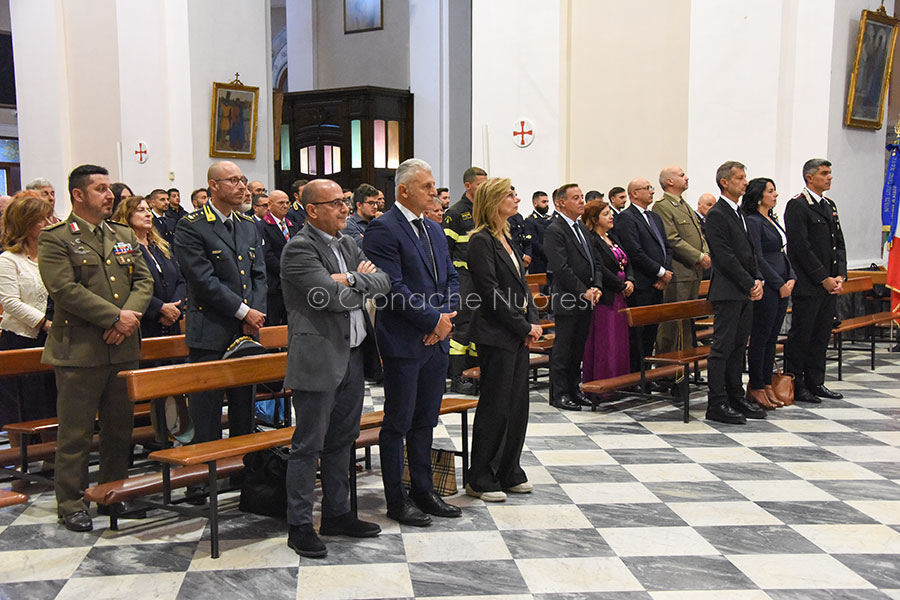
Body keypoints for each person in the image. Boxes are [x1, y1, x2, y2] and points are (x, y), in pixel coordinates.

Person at [38, 164, 153, 531]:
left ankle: (112, 493)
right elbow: (64, 290)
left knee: (120, 430)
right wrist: (114, 318)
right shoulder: (55, 238)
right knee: (76, 433)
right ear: (78, 195)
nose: (110, 196)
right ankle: (71, 501)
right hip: (80, 351)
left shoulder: (121, 234)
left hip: (122, 348)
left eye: (109, 189)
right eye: (101, 189)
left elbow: (144, 279)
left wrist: (129, 317)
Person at [281, 179, 389, 558]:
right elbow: (330, 297)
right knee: (308, 445)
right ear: (312, 210)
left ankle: (337, 513)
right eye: (337, 203)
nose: (346, 208)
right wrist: (355, 284)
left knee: (343, 440)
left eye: (346, 201)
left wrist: (355, 278)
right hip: (319, 359)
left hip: (354, 354)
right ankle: (299, 525)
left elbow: (383, 282)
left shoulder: (347, 242)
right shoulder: (299, 249)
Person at [362, 158, 461, 526]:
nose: (434, 193)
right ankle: (396, 500)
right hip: (404, 340)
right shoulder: (382, 228)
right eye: (427, 186)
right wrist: (433, 320)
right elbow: (391, 288)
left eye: (433, 186)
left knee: (426, 421)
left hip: (435, 340)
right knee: (398, 422)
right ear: (404, 190)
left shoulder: (434, 229)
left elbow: (451, 278)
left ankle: (424, 490)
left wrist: (444, 320)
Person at [173, 161, 267, 447]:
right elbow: (203, 281)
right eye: (233, 181)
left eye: (243, 180)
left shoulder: (248, 224)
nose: (241, 187)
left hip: (246, 330)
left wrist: (256, 313)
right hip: (211, 330)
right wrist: (245, 311)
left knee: (244, 407)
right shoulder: (191, 226)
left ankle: (245, 470)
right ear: (213, 186)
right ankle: (203, 476)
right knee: (207, 409)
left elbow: (259, 275)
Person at [466, 178, 542, 502]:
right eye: (510, 194)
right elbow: (489, 292)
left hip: (515, 332)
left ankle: (509, 469)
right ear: (493, 200)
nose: (516, 197)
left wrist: (532, 322)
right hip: (496, 334)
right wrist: (521, 327)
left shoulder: (507, 238)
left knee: (517, 406)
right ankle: (481, 475)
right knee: (495, 406)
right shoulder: (480, 240)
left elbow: (523, 288)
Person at [704, 161, 765, 425]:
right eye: (739, 178)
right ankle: (716, 403)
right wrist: (748, 282)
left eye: (745, 177)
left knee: (739, 347)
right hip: (729, 291)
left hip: (743, 290)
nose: (745, 182)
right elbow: (724, 256)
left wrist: (758, 278)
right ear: (725, 182)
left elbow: (750, 252)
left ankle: (735, 396)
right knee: (722, 348)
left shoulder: (739, 212)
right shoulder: (718, 214)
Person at [784, 158, 847, 403]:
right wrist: (823, 278)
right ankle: (797, 383)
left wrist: (840, 274)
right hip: (810, 284)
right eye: (824, 173)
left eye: (830, 172)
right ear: (810, 177)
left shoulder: (829, 205)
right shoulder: (798, 206)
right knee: (803, 334)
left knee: (821, 334)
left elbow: (838, 244)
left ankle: (816, 381)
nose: (829, 177)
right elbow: (801, 248)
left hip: (830, 284)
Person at [0, 192, 57, 428]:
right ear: (25, 223)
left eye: (48, 218)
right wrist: (44, 322)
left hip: (53, 336)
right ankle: (20, 458)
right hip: (23, 338)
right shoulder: (9, 259)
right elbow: (10, 301)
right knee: (23, 404)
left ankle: (49, 455)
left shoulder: (51, 256)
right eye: (41, 220)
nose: (47, 224)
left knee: (50, 401)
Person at [544, 183, 602, 411]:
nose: (582, 201)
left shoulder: (583, 229)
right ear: (561, 203)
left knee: (578, 349)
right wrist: (584, 291)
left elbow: (595, 261)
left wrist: (596, 286)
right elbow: (561, 268)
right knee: (563, 350)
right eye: (575, 198)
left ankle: (574, 390)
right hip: (568, 299)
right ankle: (559, 393)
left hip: (587, 299)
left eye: (581, 197)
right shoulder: (555, 230)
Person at [742, 178, 795, 409]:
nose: (775, 195)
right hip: (769, 286)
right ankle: (757, 385)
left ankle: (767, 383)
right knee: (761, 338)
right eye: (770, 191)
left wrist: (791, 276)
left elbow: (783, 252)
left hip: (783, 282)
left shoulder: (771, 219)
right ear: (759, 196)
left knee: (772, 338)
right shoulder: (753, 221)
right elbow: (758, 257)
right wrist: (777, 282)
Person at [615, 179, 673, 374]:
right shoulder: (626, 218)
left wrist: (666, 272)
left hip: (658, 283)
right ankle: (635, 376)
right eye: (647, 188)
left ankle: (646, 375)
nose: (651, 192)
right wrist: (661, 272)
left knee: (651, 334)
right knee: (638, 336)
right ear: (634, 194)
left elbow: (666, 247)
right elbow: (634, 252)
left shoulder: (654, 217)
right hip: (642, 284)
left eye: (651, 188)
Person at [652, 166, 710, 355]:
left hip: (693, 271)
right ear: (669, 181)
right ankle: (667, 369)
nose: (686, 178)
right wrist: (699, 256)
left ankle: (684, 369)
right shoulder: (663, 206)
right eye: (681, 175)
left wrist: (706, 253)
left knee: (687, 322)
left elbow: (699, 235)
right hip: (679, 272)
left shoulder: (683, 205)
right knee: (673, 323)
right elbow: (672, 238)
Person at [114, 196, 186, 338]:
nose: (148, 214)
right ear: (127, 216)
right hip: (145, 322)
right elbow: (128, 285)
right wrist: (160, 308)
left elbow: (180, 280)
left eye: (148, 209)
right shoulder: (124, 248)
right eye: (140, 210)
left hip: (172, 322)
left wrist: (175, 307)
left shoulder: (160, 246)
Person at [443, 166, 487, 394]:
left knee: (479, 326)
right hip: (464, 278)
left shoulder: (485, 210)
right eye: (480, 185)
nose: (484, 189)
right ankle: (458, 377)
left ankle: (474, 373)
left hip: (482, 278)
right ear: (468, 186)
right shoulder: (456, 212)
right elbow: (446, 251)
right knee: (463, 328)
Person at [582, 199, 634, 383]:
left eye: (610, 212)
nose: (611, 216)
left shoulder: (613, 236)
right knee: (607, 341)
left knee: (620, 341)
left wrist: (630, 280)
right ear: (595, 219)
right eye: (605, 214)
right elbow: (600, 268)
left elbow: (627, 261)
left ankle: (621, 381)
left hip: (622, 295)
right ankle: (604, 384)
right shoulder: (592, 240)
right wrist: (621, 285)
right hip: (607, 295)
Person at [260, 190, 299, 326]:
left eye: (287, 202)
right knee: (274, 323)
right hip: (275, 284)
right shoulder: (262, 226)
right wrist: (287, 271)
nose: (285, 206)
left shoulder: (292, 225)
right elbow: (267, 255)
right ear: (269, 204)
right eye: (281, 203)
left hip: (293, 284)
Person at [524, 190, 553, 275]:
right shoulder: (530, 221)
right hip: (539, 263)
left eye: (547, 201)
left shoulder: (550, 219)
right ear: (535, 203)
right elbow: (535, 243)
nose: (547, 204)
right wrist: (550, 254)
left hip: (551, 263)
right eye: (544, 202)